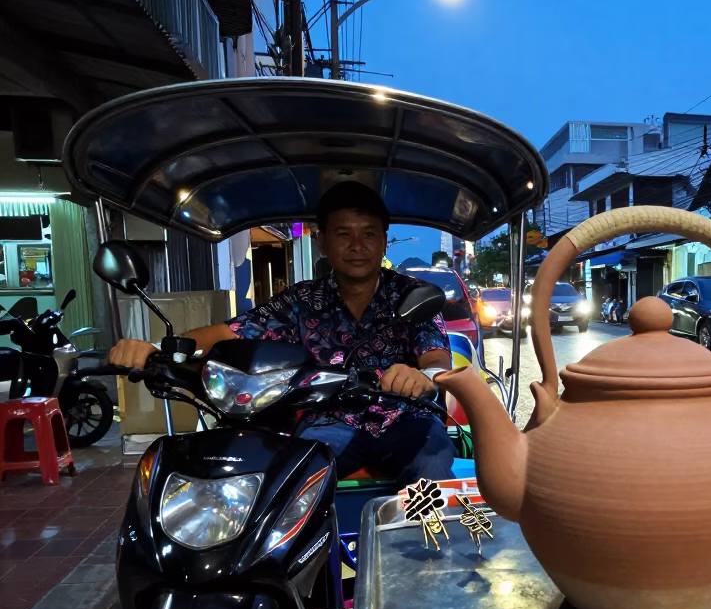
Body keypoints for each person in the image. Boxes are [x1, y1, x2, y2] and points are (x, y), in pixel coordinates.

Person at [107, 180, 456, 483]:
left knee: (432, 462)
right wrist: (157, 348)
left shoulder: (410, 294)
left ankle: (435, 557)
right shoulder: (301, 299)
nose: (357, 245)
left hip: (404, 417)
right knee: (279, 479)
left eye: (369, 234)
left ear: (383, 241)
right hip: (329, 421)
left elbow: (436, 354)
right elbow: (231, 332)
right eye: (343, 233)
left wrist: (424, 376)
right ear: (322, 242)